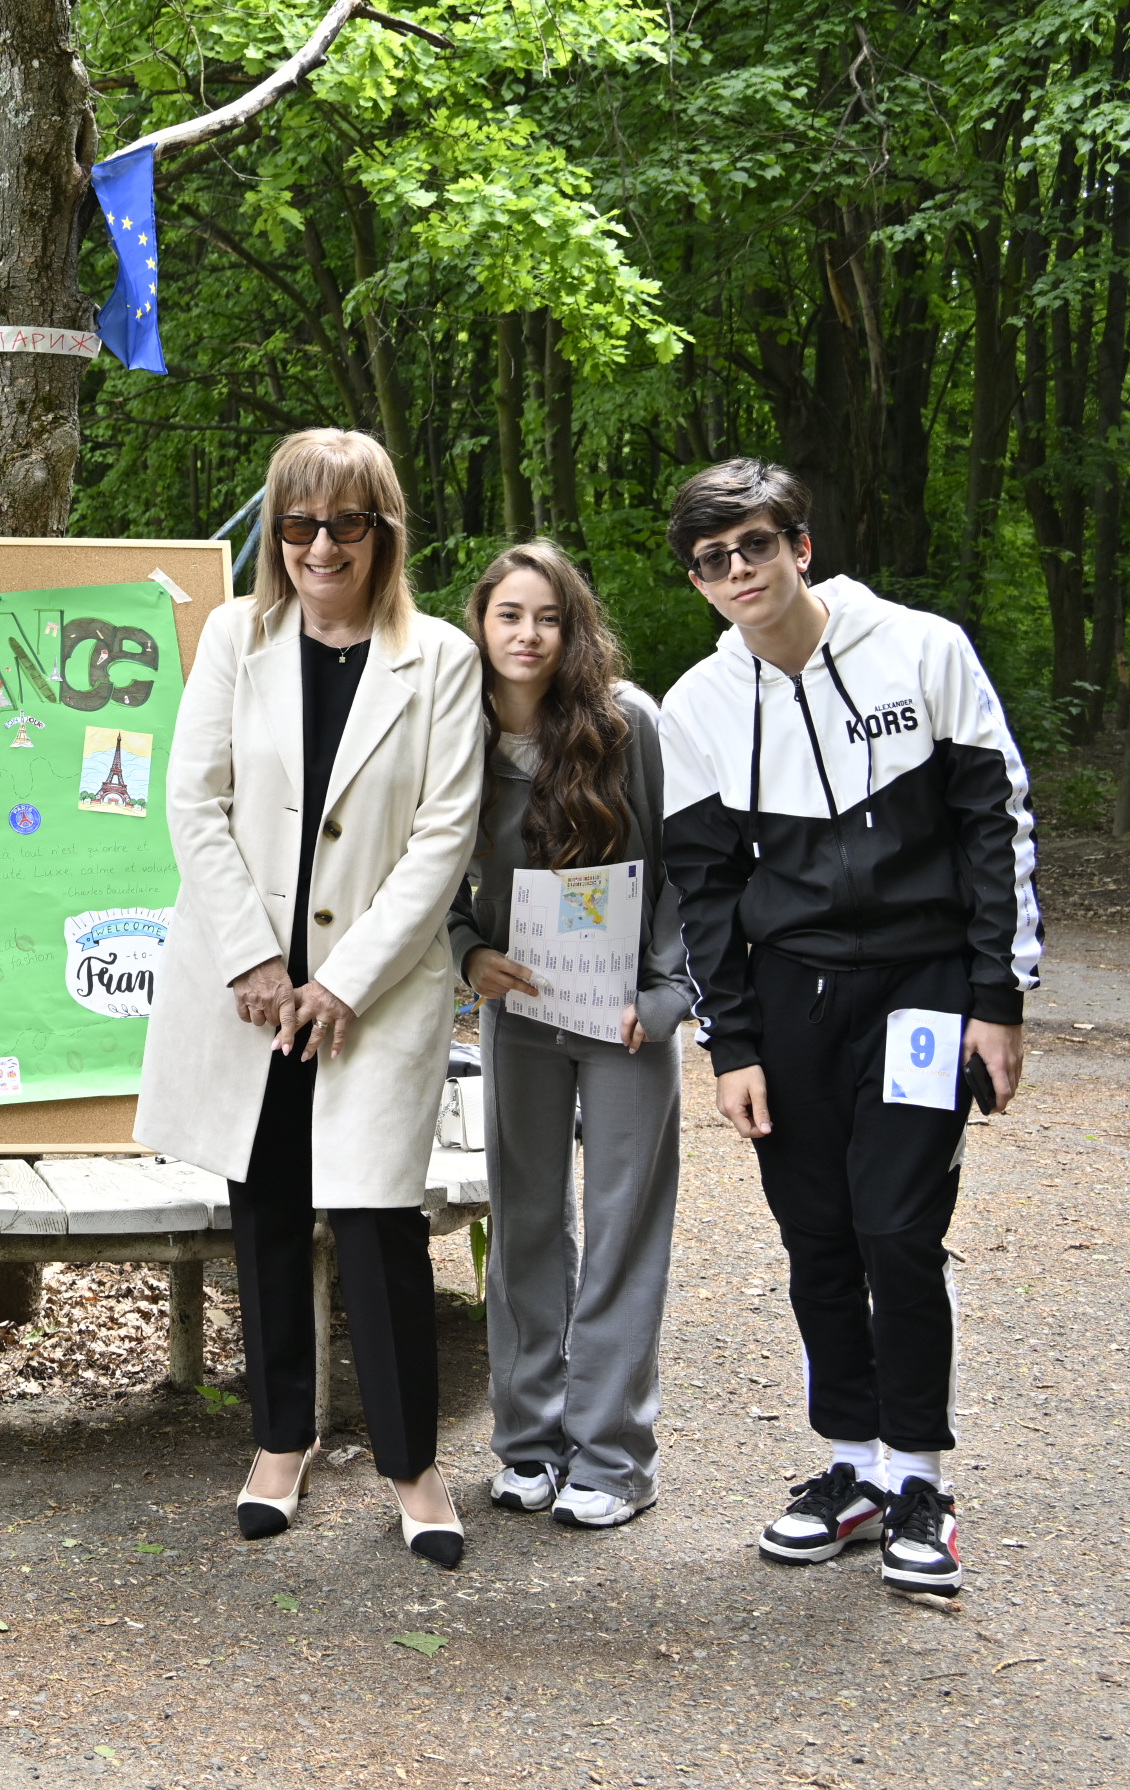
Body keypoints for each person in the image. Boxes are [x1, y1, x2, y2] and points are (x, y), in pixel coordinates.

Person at [656, 460, 1039, 1598]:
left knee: (898, 1228)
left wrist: (999, 998)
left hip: (923, 990)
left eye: (756, 545)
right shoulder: (697, 706)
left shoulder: (923, 650)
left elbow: (994, 824)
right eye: (714, 559)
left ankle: (922, 1479)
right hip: (791, 1004)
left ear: (800, 548)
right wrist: (732, 1046)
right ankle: (854, 1465)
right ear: (698, 580)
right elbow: (704, 892)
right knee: (817, 1236)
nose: (739, 570)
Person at [135, 428, 486, 1568]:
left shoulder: (440, 659)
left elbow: (444, 835)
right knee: (269, 1212)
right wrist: (253, 960)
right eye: (297, 523)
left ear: (384, 532)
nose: (319, 546)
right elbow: (193, 801)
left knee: (381, 1224)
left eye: (344, 524)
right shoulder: (235, 637)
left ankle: (412, 1464)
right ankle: (280, 1442)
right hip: (252, 990)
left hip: (368, 990)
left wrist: (342, 978)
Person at [445, 542, 689, 1534]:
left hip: (626, 1015)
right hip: (522, 1008)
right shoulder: (452, 731)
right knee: (526, 1221)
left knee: (624, 1227)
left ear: (574, 627)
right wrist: (469, 955)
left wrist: (666, 995)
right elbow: (426, 871)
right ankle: (530, 1443)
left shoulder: (629, 723)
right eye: (510, 614)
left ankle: (614, 1457)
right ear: (480, 623)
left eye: (549, 616)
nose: (529, 634)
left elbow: (683, 865)